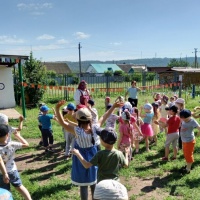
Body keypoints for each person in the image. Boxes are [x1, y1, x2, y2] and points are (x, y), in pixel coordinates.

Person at [55, 100, 124, 200]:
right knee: (94, 181)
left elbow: (62, 122)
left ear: (78, 120)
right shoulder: (95, 127)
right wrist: (113, 106)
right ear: (90, 119)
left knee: (83, 184)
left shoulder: (76, 130)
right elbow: (104, 117)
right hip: (93, 155)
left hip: (81, 158)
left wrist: (57, 108)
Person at [0, 124, 32, 200]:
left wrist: (5, 174)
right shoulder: (12, 144)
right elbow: (26, 144)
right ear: (7, 135)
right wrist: (18, 136)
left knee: (4, 191)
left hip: (1, 174)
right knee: (19, 186)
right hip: (12, 170)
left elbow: (0, 161)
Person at [179, 109, 200, 174]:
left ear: (189, 116)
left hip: (189, 141)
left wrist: (198, 134)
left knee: (188, 155)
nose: (184, 119)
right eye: (182, 118)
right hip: (184, 140)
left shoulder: (192, 121)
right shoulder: (183, 118)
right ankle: (188, 164)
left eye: (185, 118)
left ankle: (188, 169)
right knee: (185, 153)